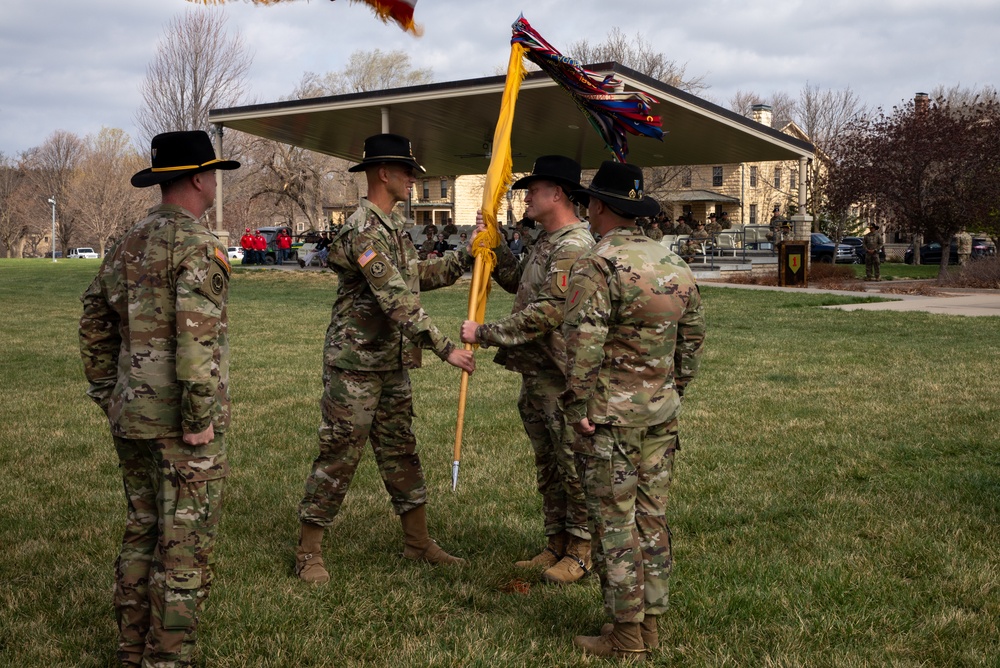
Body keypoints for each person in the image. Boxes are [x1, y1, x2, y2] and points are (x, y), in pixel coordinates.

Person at [79, 130, 240, 668]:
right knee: (184, 546)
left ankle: (131, 650)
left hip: (133, 416)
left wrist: (109, 392)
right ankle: (166, 659)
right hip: (180, 427)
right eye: (213, 173)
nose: (215, 182)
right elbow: (197, 339)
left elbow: (93, 321)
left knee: (142, 530)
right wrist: (198, 420)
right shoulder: (198, 245)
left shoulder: (128, 240)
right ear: (199, 178)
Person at [295, 133, 475, 583]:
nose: (414, 179)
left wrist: (467, 255)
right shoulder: (363, 229)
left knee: (401, 451)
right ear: (384, 174)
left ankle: (417, 543)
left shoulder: (393, 227)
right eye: (408, 172)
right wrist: (444, 346)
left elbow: (414, 279)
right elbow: (395, 298)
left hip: (391, 363)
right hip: (354, 365)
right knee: (339, 453)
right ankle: (308, 550)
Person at [561, 161, 705, 659]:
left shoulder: (598, 264)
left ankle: (625, 635)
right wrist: (673, 387)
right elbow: (692, 336)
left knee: (616, 524)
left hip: (611, 417)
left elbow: (584, 343)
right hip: (660, 413)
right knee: (652, 518)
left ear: (597, 206)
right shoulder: (672, 262)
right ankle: (650, 628)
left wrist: (580, 403)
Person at [460, 155, 595, 585]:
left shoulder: (573, 246)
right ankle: (555, 542)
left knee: (573, 465)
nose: (526, 199)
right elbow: (520, 282)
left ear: (557, 193)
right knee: (549, 464)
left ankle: (581, 549)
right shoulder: (547, 241)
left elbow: (548, 313)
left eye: (533, 191)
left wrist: (485, 332)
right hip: (538, 375)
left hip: (564, 377)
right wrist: (494, 246)